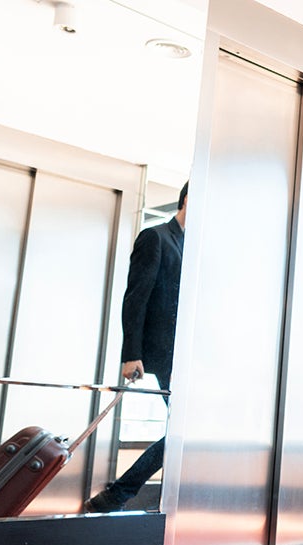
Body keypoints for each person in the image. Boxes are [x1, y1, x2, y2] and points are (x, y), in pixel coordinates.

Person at [84, 181, 187, 513]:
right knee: (184, 432)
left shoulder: (195, 247)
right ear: (188, 200)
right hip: (163, 351)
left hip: (187, 355)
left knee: (185, 433)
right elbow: (136, 297)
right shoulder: (156, 238)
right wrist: (132, 354)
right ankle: (118, 494)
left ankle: (117, 495)